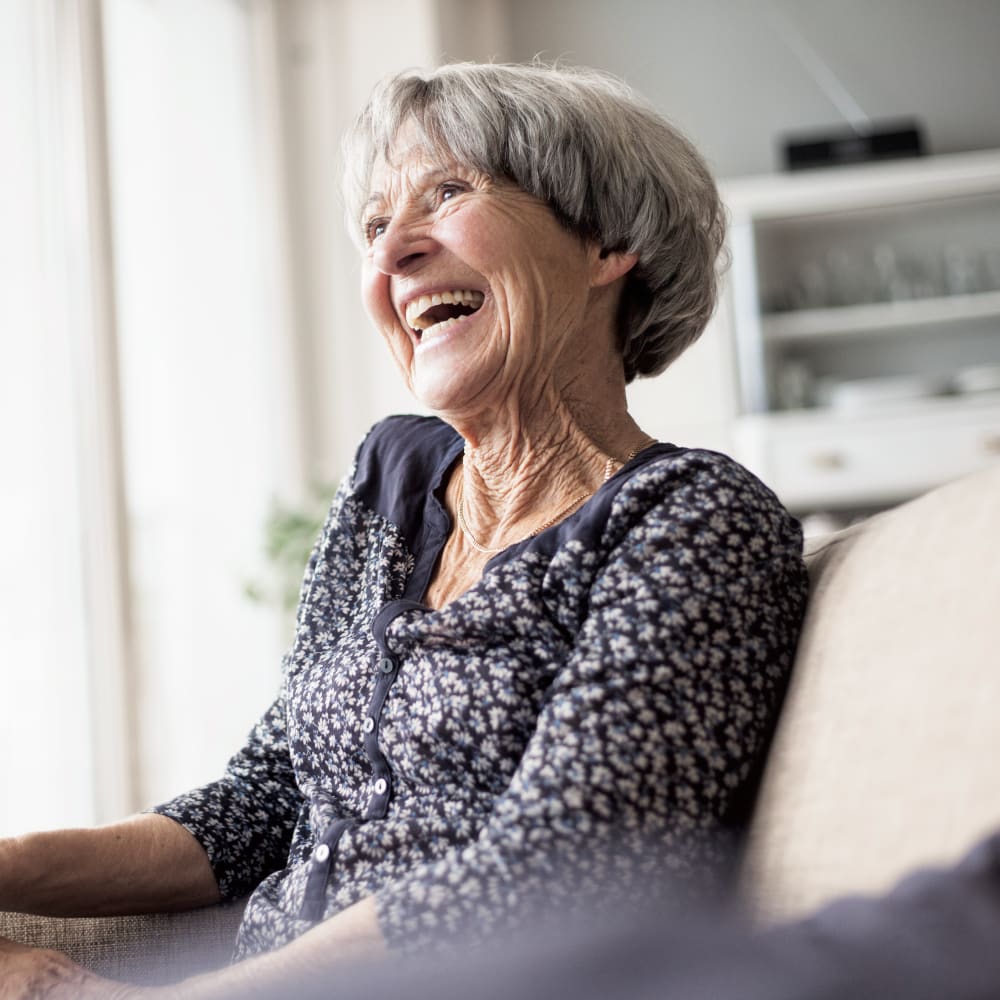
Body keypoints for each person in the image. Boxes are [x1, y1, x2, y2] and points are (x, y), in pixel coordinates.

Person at [0, 62, 808, 997]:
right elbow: (267, 799)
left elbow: (568, 870)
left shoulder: (692, 521)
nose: (391, 256)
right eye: (376, 225)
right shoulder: (395, 478)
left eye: (449, 192)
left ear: (607, 241)